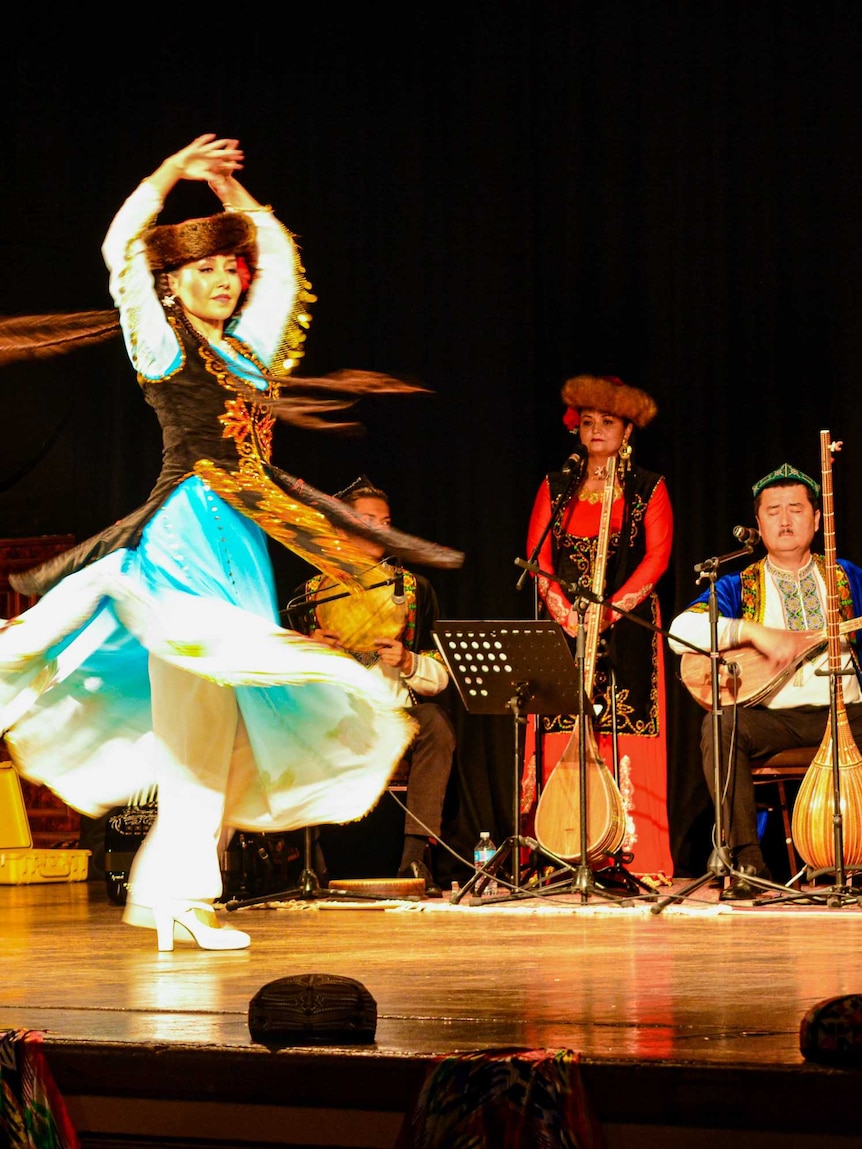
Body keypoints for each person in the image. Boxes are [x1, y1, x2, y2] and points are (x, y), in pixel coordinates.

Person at [0, 134, 462, 950]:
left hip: (242, 544)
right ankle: (183, 892)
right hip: (183, 536)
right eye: (202, 270)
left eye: (227, 268)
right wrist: (169, 175)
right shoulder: (162, 343)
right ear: (173, 284)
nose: (221, 278)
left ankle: (170, 891)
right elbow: (120, 255)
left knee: (218, 727)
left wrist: (240, 204)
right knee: (202, 714)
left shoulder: (251, 351)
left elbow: (282, 265)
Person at [668, 462, 862, 899]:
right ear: (758, 523)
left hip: (849, 713)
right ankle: (747, 863)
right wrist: (750, 631)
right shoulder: (740, 584)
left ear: (818, 519)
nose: (785, 519)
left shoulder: (847, 577)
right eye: (773, 511)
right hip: (780, 721)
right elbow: (681, 633)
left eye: (796, 508)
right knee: (719, 726)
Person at [521, 374, 674, 883]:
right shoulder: (556, 487)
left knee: (624, 729)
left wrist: (606, 612)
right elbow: (538, 557)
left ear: (627, 431)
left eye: (607, 422)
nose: (596, 431)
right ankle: (560, 851)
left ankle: (635, 856)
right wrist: (565, 613)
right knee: (562, 725)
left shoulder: (647, 488)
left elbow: (656, 558)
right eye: (588, 422)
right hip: (565, 628)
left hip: (625, 626)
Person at [289, 476, 456, 896]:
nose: (379, 529)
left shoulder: (414, 591)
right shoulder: (310, 595)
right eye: (367, 521)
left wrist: (409, 660)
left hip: (396, 716)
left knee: (434, 722)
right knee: (294, 725)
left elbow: (441, 674)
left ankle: (415, 858)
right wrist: (308, 650)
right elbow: (283, 683)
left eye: (385, 521)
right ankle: (311, 863)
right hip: (334, 716)